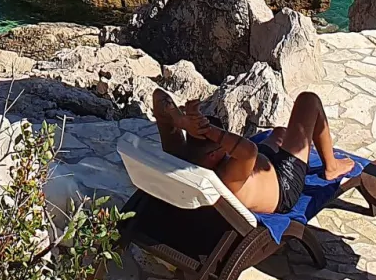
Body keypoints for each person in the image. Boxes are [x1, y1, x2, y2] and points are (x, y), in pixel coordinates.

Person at [151, 87, 354, 217]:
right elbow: (249, 151)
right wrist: (210, 131)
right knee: (309, 101)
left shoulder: (178, 155)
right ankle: (332, 166)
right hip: (283, 184)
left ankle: (286, 143)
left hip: (262, 168)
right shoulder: (226, 176)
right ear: (213, 155)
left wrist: (180, 120)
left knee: (280, 133)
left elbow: (158, 96)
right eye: (222, 145)